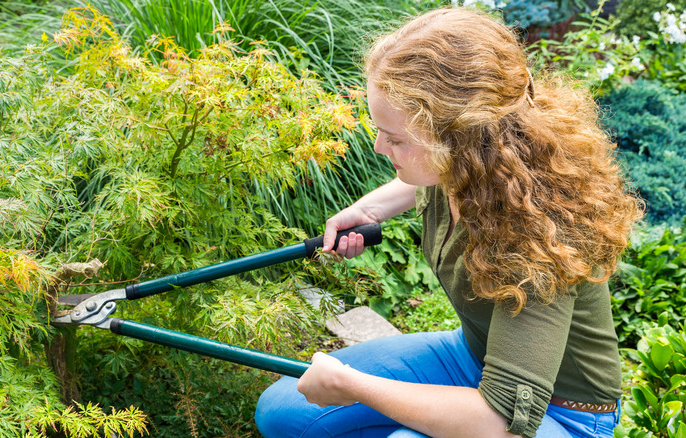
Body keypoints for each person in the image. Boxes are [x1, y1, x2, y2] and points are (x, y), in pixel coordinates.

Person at [254, 6, 643, 438]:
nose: (381, 147)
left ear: (462, 138)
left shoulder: (539, 233)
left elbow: (500, 421)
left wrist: (354, 387)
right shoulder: (470, 167)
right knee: (283, 411)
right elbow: (421, 178)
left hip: (558, 415)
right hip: (472, 359)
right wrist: (372, 209)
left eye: (397, 138)